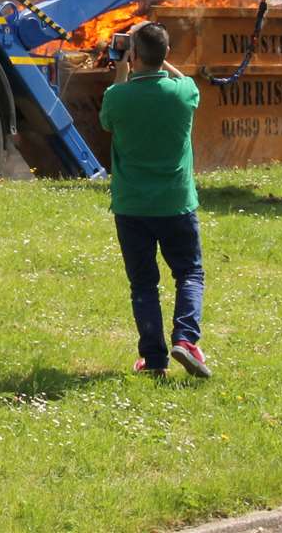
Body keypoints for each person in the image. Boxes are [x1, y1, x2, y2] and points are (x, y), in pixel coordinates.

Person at [98, 21, 211, 378]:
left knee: (144, 283)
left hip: (132, 207)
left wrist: (121, 68)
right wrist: (160, 61)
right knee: (189, 273)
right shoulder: (182, 94)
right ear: (165, 56)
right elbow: (184, 79)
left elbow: (107, 120)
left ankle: (154, 360)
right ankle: (186, 340)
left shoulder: (117, 97)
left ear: (133, 55)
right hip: (176, 203)